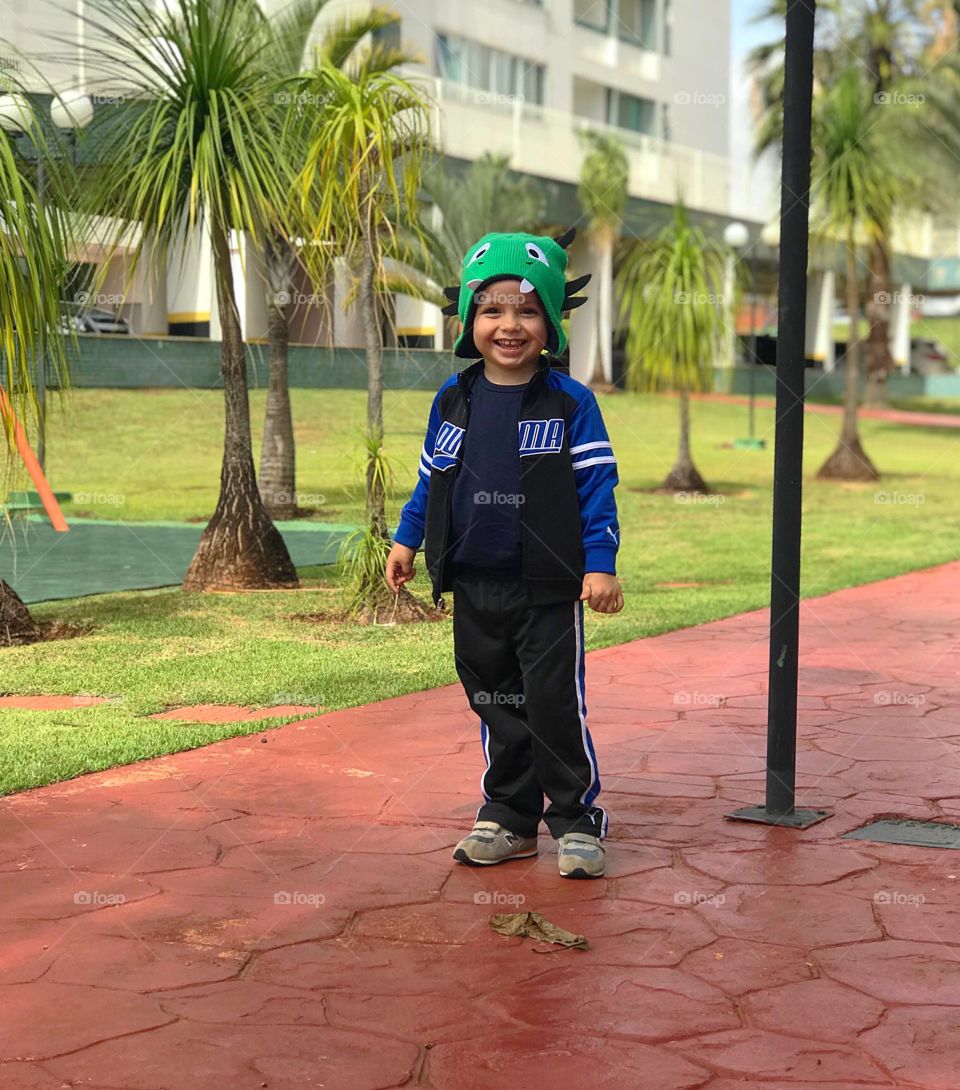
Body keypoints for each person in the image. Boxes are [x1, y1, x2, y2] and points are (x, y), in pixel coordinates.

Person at [385, 229, 623, 879]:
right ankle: (510, 816)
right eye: (492, 310)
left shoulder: (570, 402)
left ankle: (576, 819)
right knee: (495, 699)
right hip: (474, 581)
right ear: (469, 320)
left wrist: (600, 562)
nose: (509, 325)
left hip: (548, 585)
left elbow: (597, 485)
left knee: (549, 701)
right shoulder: (453, 399)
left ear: (551, 323)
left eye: (526, 309)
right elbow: (433, 479)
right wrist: (408, 540)